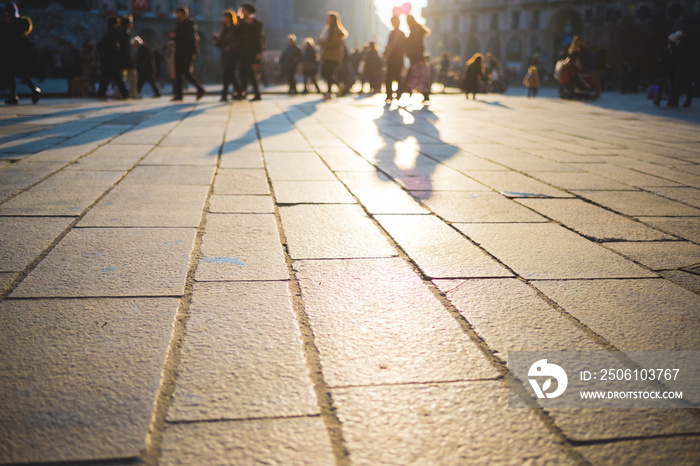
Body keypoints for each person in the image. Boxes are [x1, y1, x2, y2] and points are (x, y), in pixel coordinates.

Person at [1, 1, 41, 104]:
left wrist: (10, 23)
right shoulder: (4, 23)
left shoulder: (21, 22)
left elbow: (18, 35)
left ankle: (34, 90)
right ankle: (13, 96)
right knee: (10, 75)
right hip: (8, 53)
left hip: (18, 52)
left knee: (21, 74)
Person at [172, 6, 205, 101]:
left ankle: (200, 88)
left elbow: (188, 37)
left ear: (183, 14)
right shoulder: (179, 24)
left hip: (187, 51)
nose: (177, 15)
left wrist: (176, 36)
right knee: (178, 72)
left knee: (185, 71)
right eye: (176, 13)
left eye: (179, 13)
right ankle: (179, 94)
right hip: (179, 51)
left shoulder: (188, 23)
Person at [96, 16, 129, 100]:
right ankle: (124, 94)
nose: (118, 24)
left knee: (109, 78)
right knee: (114, 78)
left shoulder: (109, 33)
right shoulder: (112, 34)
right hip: (111, 60)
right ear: (113, 24)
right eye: (117, 23)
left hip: (109, 60)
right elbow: (109, 47)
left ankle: (101, 94)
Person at [399, 15, 430, 101]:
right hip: (417, 56)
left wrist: (419, 58)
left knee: (411, 75)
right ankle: (425, 95)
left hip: (416, 57)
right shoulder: (416, 29)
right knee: (417, 75)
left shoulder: (414, 30)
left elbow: (418, 45)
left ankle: (400, 93)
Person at [317, 11, 348, 98]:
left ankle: (329, 93)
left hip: (333, 56)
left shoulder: (335, 31)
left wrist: (322, 43)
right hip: (328, 55)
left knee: (327, 73)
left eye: (328, 18)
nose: (326, 19)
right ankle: (339, 86)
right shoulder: (329, 29)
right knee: (326, 73)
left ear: (332, 20)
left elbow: (334, 44)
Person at [237, 3, 263, 101]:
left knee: (251, 72)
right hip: (242, 51)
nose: (242, 12)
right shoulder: (240, 22)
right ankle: (242, 92)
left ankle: (256, 94)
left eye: (244, 10)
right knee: (242, 72)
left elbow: (259, 39)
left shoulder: (256, 23)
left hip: (252, 52)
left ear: (248, 11)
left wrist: (259, 52)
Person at [213, 9, 240, 101]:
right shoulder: (224, 29)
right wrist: (216, 40)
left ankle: (226, 94)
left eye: (225, 17)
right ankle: (237, 91)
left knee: (228, 74)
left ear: (230, 18)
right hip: (225, 54)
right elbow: (221, 44)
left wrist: (230, 47)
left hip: (233, 54)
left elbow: (237, 42)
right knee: (228, 74)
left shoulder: (235, 29)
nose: (224, 19)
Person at [383, 15, 405, 103]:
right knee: (391, 77)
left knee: (395, 77)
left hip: (396, 59)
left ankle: (395, 94)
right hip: (394, 59)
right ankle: (390, 94)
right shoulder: (393, 33)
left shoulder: (399, 34)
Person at [120, 15, 138, 98]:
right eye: (130, 22)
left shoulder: (126, 32)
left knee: (123, 77)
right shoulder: (124, 33)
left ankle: (121, 93)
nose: (132, 24)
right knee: (132, 76)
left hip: (125, 58)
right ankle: (132, 93)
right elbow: (125, 47)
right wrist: (128, 57)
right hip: (126, 58)